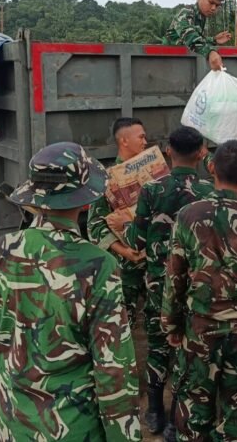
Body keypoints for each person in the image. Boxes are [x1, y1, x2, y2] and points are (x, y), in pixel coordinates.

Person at [0, 142, 141, 441]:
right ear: (85, 201)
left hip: (13, 427)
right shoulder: (99, 265)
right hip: (76, 430)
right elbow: (113, 369)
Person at [162, 140, 237, 441]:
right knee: (234, 413)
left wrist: (171, 324)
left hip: (199, 329)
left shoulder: (187, 215)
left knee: (193, 410)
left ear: (211, 167)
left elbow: (175, 277)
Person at [121, 126, 214, 437]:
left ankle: (154, 411)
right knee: (189, 349)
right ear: (201, 153)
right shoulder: (209, 191)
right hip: (196, 284)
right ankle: (177, 416)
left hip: (159, 283)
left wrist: (129, 225)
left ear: (168, 152)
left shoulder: (151, 190)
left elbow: (136, 240)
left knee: (158, 344)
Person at [87, 117, 148, 324]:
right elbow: (95, 225)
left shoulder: (153, 175)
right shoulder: (106, 180)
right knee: (122, 324)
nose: (145, 142)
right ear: (124, 141)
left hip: (155, 264)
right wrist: (124, 252)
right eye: (141, 137)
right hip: (125, 269)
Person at [165, 0, 232, 71]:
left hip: (180, 62)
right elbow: (189, 36)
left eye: (217, 5)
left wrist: (214, 40)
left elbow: (198, 38)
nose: (213, 8)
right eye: (211, 3)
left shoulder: (201, 17)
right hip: (168, 61)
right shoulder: (186, 13)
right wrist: (210, 52)